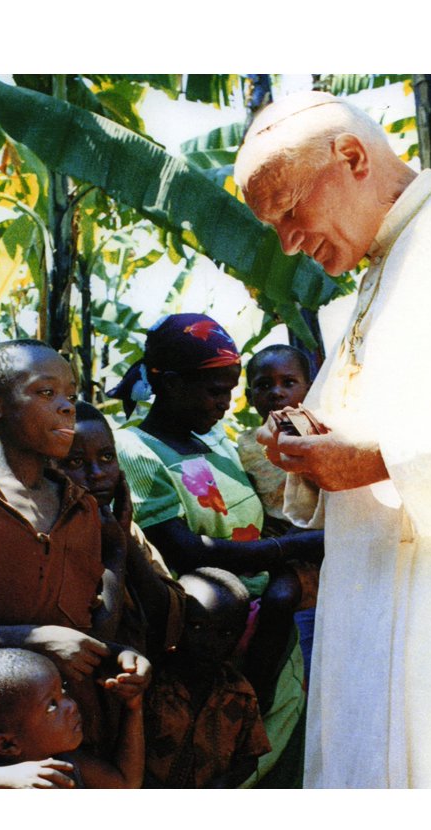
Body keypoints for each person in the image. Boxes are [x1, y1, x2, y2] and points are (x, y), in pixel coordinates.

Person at [234, 89, 431, 788]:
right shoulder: (366, 283)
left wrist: (381, 458)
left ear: (351, 156)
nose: (287, 243)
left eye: (290, 211)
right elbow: (349, 450)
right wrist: (306, 446)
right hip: (362, 627)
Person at [111, 312, 323, 787]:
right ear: (166, 383)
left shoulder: (218, 443)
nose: (226, 404)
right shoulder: (134, 449)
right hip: (209, 638)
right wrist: (300, 547)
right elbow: (184, 550)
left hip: (272, 623)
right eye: (213, 391)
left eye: (230, 389)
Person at [0, 338, 150, 764]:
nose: (67, 408)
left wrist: (124, 659)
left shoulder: (80, 507)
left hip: (68, 735)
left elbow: (90, 631)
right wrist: (31, 641)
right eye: (47, 393)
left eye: (70, 395)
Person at [57, 399, 186, 657]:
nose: (97, 473)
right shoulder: (53, 537)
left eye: (107, 457)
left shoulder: (123, 526)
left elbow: (167, 619)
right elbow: (98, 641)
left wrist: (124, 537)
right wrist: (116, 550)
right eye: (75, 462)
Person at [0, 648, 144, 788]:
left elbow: (124, 784)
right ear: (7, 744)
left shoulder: (66, 763)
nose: (71, 705)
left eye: (64, 691)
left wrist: (132, 709)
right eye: (52, 704)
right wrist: (0, 780)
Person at [238, 344, 321, 682]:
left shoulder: (323, 437)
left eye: (289, 382)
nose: (277, 392)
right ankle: (264, 686)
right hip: (282, 556)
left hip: (324, 550)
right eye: (264, 384)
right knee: (294, 635)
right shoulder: (245, 447)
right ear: (248, 395)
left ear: (309, 388)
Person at [143, 567, 271, 788]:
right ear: (176, 622)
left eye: (226, 633)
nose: (209, 643)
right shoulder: (151, 684)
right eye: (197, 627)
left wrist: (224, 784)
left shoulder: (240, 693)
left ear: (241, 634)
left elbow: (250, 755)